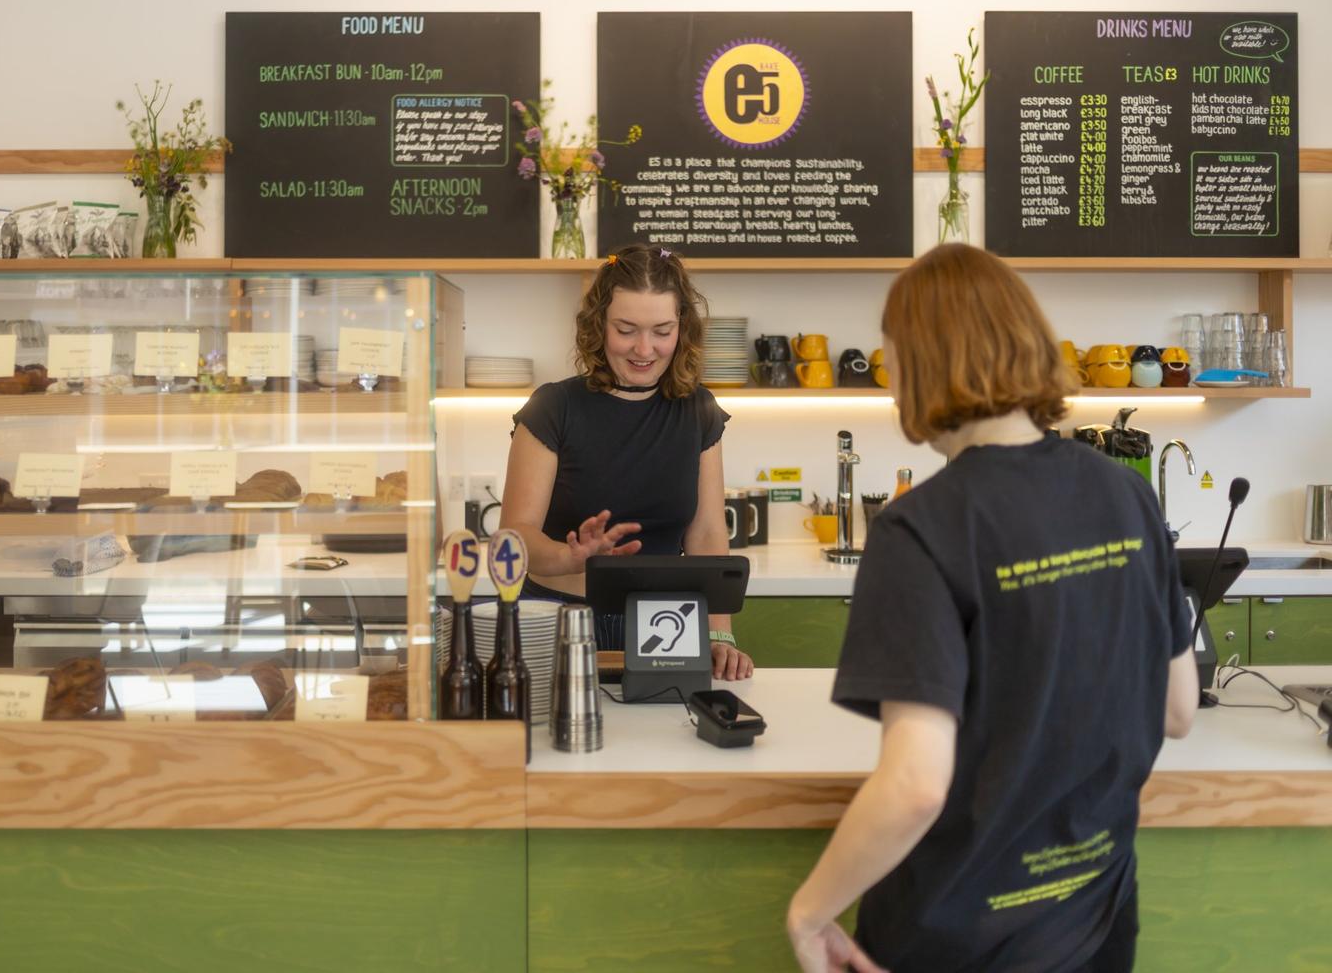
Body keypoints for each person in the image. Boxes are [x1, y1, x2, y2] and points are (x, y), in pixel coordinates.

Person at [786, 243, 1197, 973]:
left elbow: (914, 784)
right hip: (1097, 928)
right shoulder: (1127, 492)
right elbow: (1177, 708)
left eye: (894, 361)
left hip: (955, 943)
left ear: (921, 364)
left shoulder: (921, 528)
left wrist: (810, 912)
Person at [499, 243, 753, 680]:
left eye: (661, 330)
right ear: (598, 325)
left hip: (665, 624)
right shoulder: (554, 407)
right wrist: (572, 556)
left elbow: (707, 533)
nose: (644, 348)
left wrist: (719, 634)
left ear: (682, 328)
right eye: (626, 329)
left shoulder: (698, 410)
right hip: (560, 619)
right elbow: (513, 537)